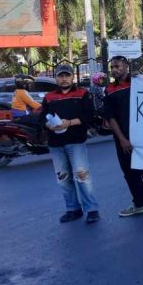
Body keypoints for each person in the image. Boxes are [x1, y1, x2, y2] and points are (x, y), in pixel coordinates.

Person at [105, 56, 143, 219]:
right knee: (130, 173)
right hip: (122, 139)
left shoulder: (140, 83)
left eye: (117, 66)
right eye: (112, 67)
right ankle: (139, 204)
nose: (114, 70)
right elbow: (111, 118)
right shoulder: (109, 89)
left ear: (126, 66)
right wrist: (122, 139)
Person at [40, 64, 100, 224]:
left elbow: (90, 117)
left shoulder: (83, 94)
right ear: (56, 78)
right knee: (63, 178)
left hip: (76, 142)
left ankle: (92, 209)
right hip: (55, 143)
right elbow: (41, 118)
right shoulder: (48, 97)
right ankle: (73, 209)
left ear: (72, 77)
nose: (64, 79)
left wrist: (69, 123)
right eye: (60, 76)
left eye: (67, 76)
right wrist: (48, 125)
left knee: (82, 176)